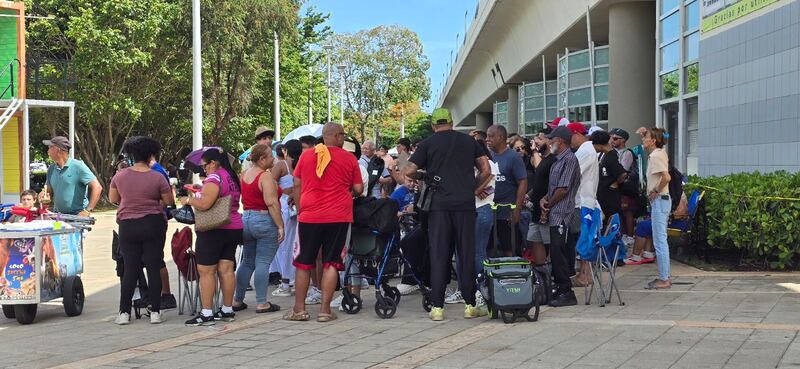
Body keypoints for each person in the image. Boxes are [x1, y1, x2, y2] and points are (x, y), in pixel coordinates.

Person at [404, 108, 491, 321]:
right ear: (451, 122)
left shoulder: (427, 144)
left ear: (434, 125)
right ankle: (470, 305)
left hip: (438, 206)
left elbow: (408, 171)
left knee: (439, 254)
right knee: (466, 253)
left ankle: (437, 308)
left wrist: (425, 175)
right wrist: (472, 188)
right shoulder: (469, 142)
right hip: (464, 204)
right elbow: (486, 170)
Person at [285, 123, 363, 323]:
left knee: (303, 263)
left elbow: (296, 183)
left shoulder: (307, 155)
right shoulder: (349, 159)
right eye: (343, 135)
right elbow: (358, 188)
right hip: (338, 216)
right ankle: (325, 311)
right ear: (336, 136)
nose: (344, 139)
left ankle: (299, 310)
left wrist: (302, 209)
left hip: (309, 216)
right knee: (331, 263)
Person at [109, 136, 175, 325]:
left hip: (128, 225)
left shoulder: (120, 176)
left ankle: (123, 313)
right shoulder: (157, 176)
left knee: (130, 268)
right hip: (153, 223)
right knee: (153, 266)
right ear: (150, 155)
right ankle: (155, 311)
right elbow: (169, 201)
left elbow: (114, 198)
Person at [181, 148, 243, 326]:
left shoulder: (215, 177)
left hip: (214, 229)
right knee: (227, 269)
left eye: (205, 166)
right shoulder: (230, 176)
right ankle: (227, 309)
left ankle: (207, 313)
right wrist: (203, 189)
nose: (204, 170)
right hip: (233, 227)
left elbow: (205, 203)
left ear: (214, 163)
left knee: (206, 271)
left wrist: (189, 200)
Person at [233, 144, 284, 314]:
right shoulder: (265, 177)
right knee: (263, 262)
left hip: (246, 219)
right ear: (262, 159)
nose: (273, 158)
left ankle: (237, 300)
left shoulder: (245, 175)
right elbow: (271, 202)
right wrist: (280, 226)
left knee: (247, 261)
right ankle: (262, 302)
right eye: (270, 156)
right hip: (263, 220)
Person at [540, 126, 581, 307]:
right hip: (555, 213)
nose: (549, 142)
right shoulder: (557, 160)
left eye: (552, 139)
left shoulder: (570, 159)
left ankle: (567, 291)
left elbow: (563, 190)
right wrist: (544, 199)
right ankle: (560, 288)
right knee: (555, 253)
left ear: (561, 141)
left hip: (562, 213)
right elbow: (554, 188)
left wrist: (549, 204)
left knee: (559, 254)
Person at [486, 125, 528, 257]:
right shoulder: (488, 156)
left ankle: (510, 274)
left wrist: (517, 209)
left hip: (507, 212)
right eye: (487, 136)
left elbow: (523, 182)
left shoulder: (513, 157)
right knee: (488, 247)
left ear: (501, 137)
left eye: (491, 136)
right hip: (489, 211)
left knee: (509, 247)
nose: (487, 139)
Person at [566, 122, 599, 288]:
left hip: (583, 202)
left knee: (582, 238)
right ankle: (583, 274)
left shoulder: (585, 150)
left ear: (577, 134)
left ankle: (584, 275)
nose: (568, 141)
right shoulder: (586, 150)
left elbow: (572, 173)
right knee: (583, 238)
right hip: (585, 200)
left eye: (569, 137)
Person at [526, 128, 556, 302]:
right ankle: (540, 276)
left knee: (549, 243)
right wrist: (528, 195)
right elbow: (538, 182)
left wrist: (547, 204)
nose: (536, 140)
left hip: (547, 210)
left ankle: (551, 280)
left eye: (540, 138)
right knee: (534, 239)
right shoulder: (544, 159)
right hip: (535, 211)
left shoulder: (552, 160)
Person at [270, 140, 303, 297]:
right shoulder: (301, 163)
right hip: (298, 204)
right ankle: (296, 279)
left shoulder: (281, 165)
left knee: (284, 245)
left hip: (284, 204)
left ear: (285, 150)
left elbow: (271, 184)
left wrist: (285, 191)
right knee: (296, 243)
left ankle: (286, 281)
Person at [40, 136, 103, 216]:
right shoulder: (51, 168)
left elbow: (97, 187)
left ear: (58, 150)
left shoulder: (78, 166)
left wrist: (88, 210)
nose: (48, 151)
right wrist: (43, 195)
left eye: (50, 147)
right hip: (58, 216)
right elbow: (48, 191)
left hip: (77, 217)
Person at [641, 127, 672, 290]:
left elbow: (666, 177)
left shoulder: (655, 156)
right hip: (661, 201)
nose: (643, 140)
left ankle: (664, 278)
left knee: (660, 240)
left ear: (653, 141)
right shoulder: (658, 153)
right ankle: (665, 275)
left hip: (660, 200)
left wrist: (655, 191)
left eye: (645, 137)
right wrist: (645, 131)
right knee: (660, 239)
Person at [627, 192, 688, 265]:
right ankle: (648, 253)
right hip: (674, 222)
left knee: (642, 226)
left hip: (675, 224)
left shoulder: (676, 192)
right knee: (648, 223)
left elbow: (680, 213)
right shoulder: (675, 190)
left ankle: (635, 257)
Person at [148, 157, 177, 310]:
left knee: (157, 259)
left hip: (156, 219)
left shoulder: (157, 172)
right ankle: (158, 293)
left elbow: (167, 199)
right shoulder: (153, 171)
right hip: (151, 220)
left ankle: (166, 294)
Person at [591, 130, 627, 227]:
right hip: (603, 195)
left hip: (610, 198)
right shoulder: (604, 155)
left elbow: (622, 174)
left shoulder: (611, 156)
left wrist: (615, 183)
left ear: (599, 144)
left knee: (611, 223)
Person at [610, 128, 638, 245]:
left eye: (615, 138)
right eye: (611, 138)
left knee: (627, 211)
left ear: (623, 140)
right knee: (621, 211)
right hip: (619, 186)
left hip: (626, 187)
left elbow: (623, 170)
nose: (612, 141)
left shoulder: (627, 153)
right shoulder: (614, 152)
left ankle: (630, 236)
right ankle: (624, 234)